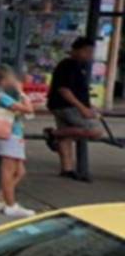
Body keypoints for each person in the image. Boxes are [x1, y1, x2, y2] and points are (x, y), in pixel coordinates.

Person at [43, 37, 105, 180]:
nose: (89, 55)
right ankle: (53, 133)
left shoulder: (77, 66)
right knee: (95, 131)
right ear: (75, 50)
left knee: (66, 136)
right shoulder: (68, 65)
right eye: (86, 51)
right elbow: (64, 89)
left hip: (62, 105)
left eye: (91, 52)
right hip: (67, 106)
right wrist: (82, 108)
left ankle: (67, 168)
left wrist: (89, 105)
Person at [0, 66, 35, 218]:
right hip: (9, 135)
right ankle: (11, 205)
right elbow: (28, 109)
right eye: (10, 77)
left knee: (20, 171)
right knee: (8, 171)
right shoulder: (2, 97)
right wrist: (21, 92)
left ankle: (0, 199)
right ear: (3, 80)